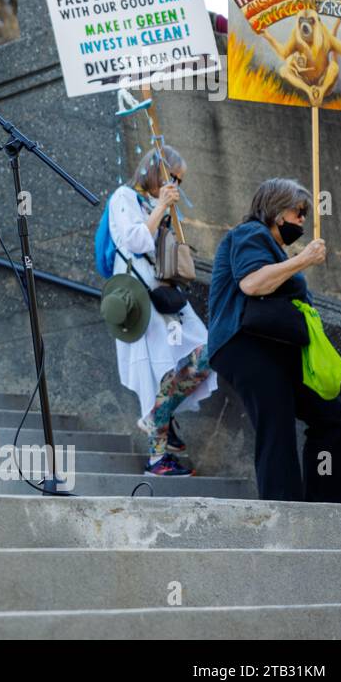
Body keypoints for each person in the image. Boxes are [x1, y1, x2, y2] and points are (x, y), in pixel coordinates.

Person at [206, 178, 341, 502]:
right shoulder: (250, 233)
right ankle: (285, 512)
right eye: (298, 211)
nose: (302, 219)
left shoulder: (273, 248)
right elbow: (252, 284)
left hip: (276, 349)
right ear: (275, 210)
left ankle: (327, 506)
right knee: (277, 422)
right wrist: (303, 260)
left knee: (330, 417)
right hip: (246, 344)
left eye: (305, 212)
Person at [107, 146, 216, 475]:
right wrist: (160, 208)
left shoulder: (155, 204)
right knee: (153, 372)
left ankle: (158, 416)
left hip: (164, 294)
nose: (177, 186)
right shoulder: (123, 197)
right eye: (174, 178)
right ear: (158, 173)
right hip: (138, 297)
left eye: (180, 181)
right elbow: (136, 241)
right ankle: (157, 457)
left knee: (208, 349)